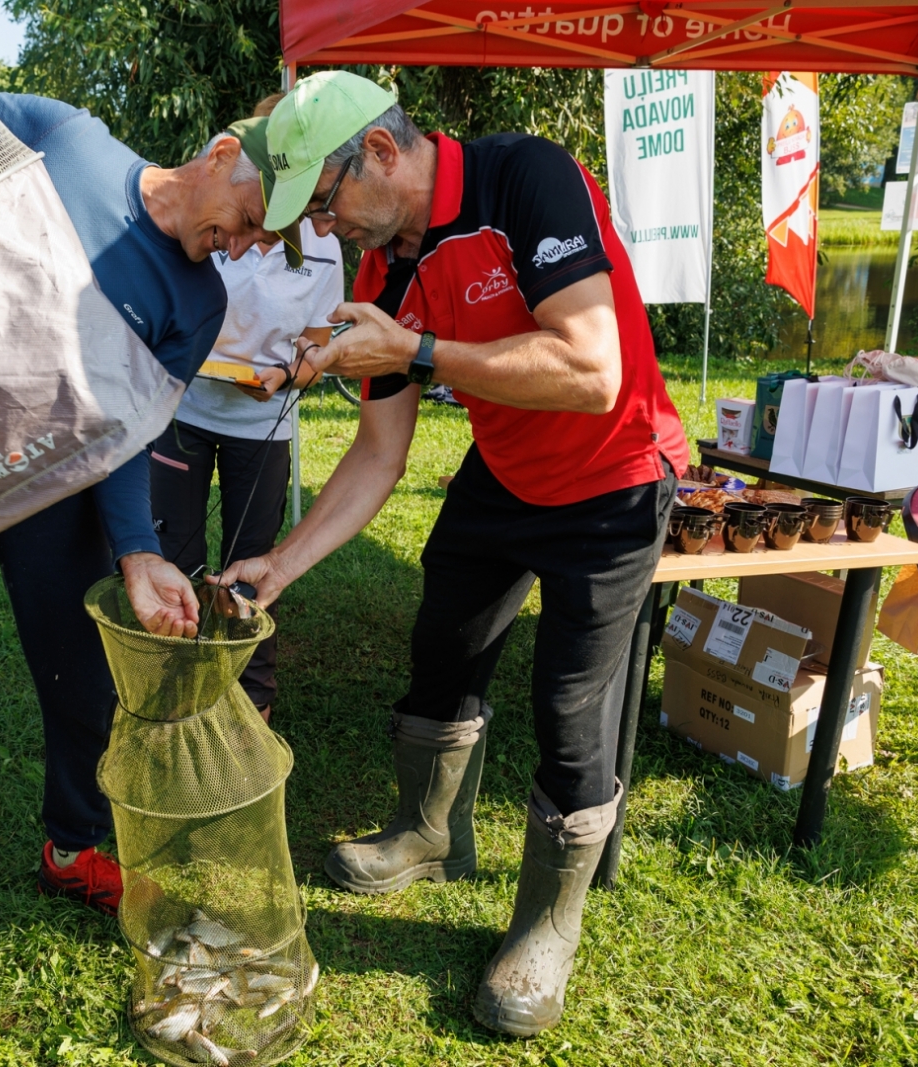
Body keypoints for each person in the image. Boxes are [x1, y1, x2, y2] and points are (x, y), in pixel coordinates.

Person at [218, 71, 689, 1038]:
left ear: (381, 153)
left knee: (569, 704)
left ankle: (548, 927)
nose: (326, 229)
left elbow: (592, 372)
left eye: (328, 201)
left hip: (616, 473)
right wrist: (281, 564)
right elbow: (381, 453)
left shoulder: (527, 180)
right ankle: (430, 832)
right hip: (509, 473)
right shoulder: (383, 268)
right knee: (442, 641)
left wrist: (420, 350)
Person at [0, 85, 277, 1048]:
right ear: (223, 153)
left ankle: (71, 845)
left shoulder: (199, 299)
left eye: (260, 240)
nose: (241, 246)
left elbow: (126, 429)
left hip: (52, 494)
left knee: (82, 689)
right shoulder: (65, 139)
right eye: (245, 221)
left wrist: (138, 549)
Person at [151, 98, 343, 723]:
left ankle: (251, 700)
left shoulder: (324, 242)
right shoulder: (218, 211)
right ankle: (171, 688)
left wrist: (290, 373)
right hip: (185, 408)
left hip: (263, 422)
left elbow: (321, 341)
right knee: (173, 551)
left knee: (248, 567)